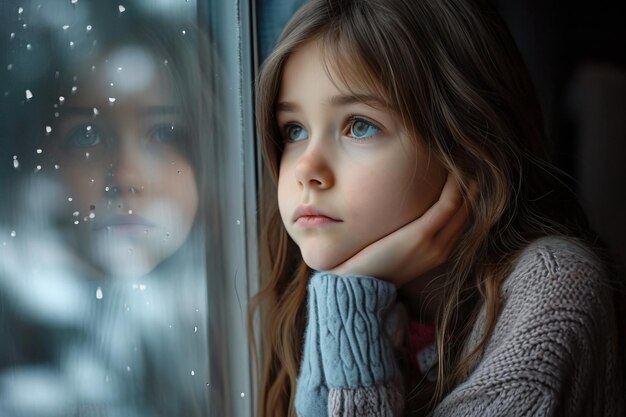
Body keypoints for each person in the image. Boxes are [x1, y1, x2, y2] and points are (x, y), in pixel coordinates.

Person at [250, 0, 625, 416]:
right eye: (294, 130)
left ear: (464, 146)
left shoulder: (554, 288)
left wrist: (349, 297)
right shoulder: (307, 289)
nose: (306, 170)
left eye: (360, 125)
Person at [0, 5, 224, 416]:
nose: (126, 176)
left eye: (164, 134)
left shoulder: (233, 318)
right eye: (87, 137)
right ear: (43, 158)